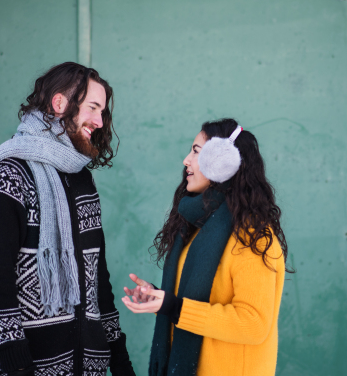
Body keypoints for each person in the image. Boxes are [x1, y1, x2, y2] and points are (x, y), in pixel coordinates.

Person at [0, 62, 135, 376]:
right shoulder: (10, 176)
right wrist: (16, 364)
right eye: (93, 108)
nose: (100, 121)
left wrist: (119, 359)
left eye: (103, 112)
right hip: (30, 367)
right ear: (60, 103)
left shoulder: (82, 181)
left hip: (90, 368)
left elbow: (96, 281)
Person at [122, 118, 291, 376]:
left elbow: (254, 324)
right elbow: (193, 305)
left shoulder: (252, 237)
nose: (186, 160)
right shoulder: (196, 230)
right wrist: (159, 299)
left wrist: (174, 307)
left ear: (222, 161)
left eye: (196, 152)